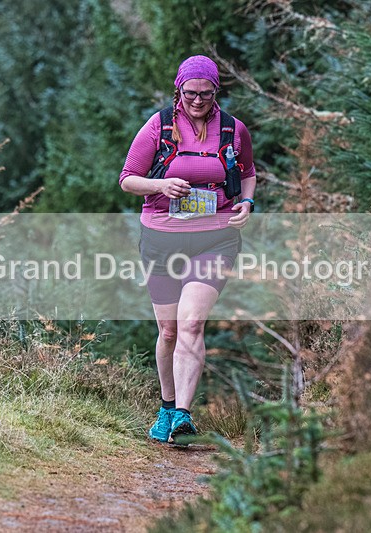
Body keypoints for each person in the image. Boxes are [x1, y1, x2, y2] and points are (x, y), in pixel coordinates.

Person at [119, 55, 256, 444]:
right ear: (178, 91)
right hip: (162, 236)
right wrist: (161, 186)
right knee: (168, 330)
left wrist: (246, 203)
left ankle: (183, 415)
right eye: (190, 93)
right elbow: (128, 180)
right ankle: (166, 405)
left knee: (192, 322)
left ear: (217, 92)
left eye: (206, 94)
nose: (198, 100)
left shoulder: (233, 129)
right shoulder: (159, 126)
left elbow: (247, 173)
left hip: (217, 237)